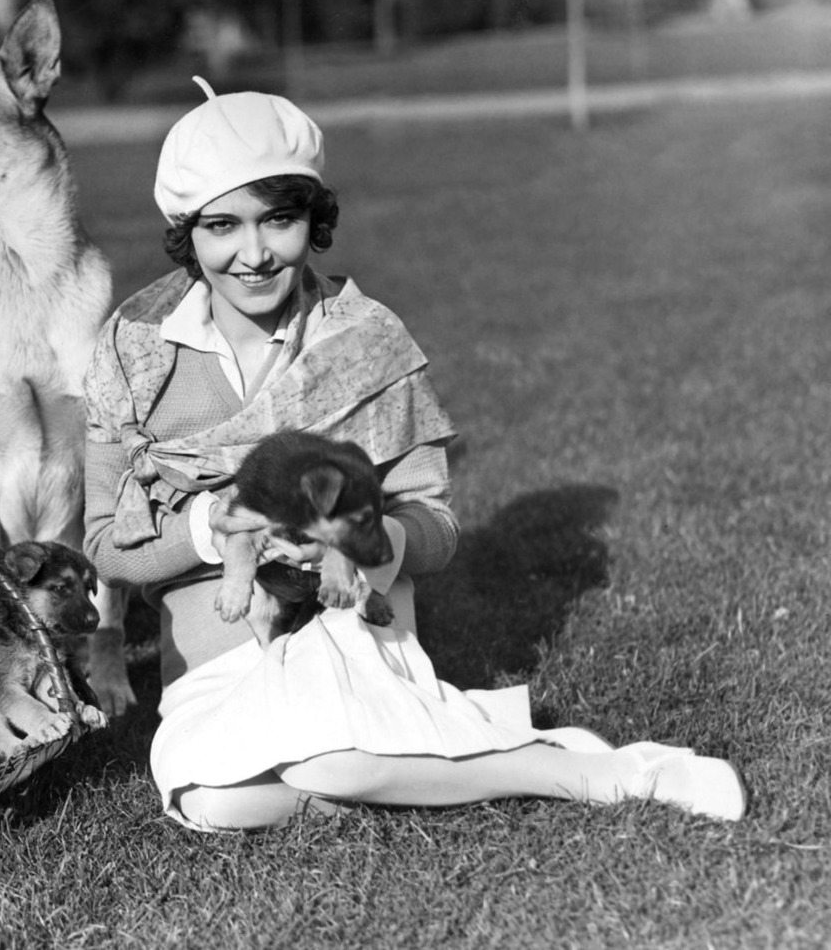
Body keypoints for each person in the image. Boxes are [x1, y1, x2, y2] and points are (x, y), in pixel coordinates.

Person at [82, 78, 746, 831]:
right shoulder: (132, 351)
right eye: (222, 226)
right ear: (187, 231)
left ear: (313, 217)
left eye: (279, 219)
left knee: (324, 761)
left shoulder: (363, 338)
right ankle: (445, 750)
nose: (254, 253)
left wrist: (367, 541)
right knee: (211, 800)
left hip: (348, 617)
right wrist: (215, 525)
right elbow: (104, 548)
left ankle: (596, 774)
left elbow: (436, 526)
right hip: (213, 651)